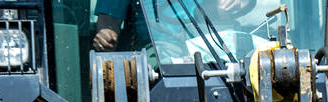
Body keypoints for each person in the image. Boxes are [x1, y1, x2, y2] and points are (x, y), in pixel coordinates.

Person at [92, 0, 260, 51]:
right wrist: (105, 36)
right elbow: (108, 25)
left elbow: (240, 3)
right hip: (158, 54)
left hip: (213, 46)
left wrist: (241, 3)